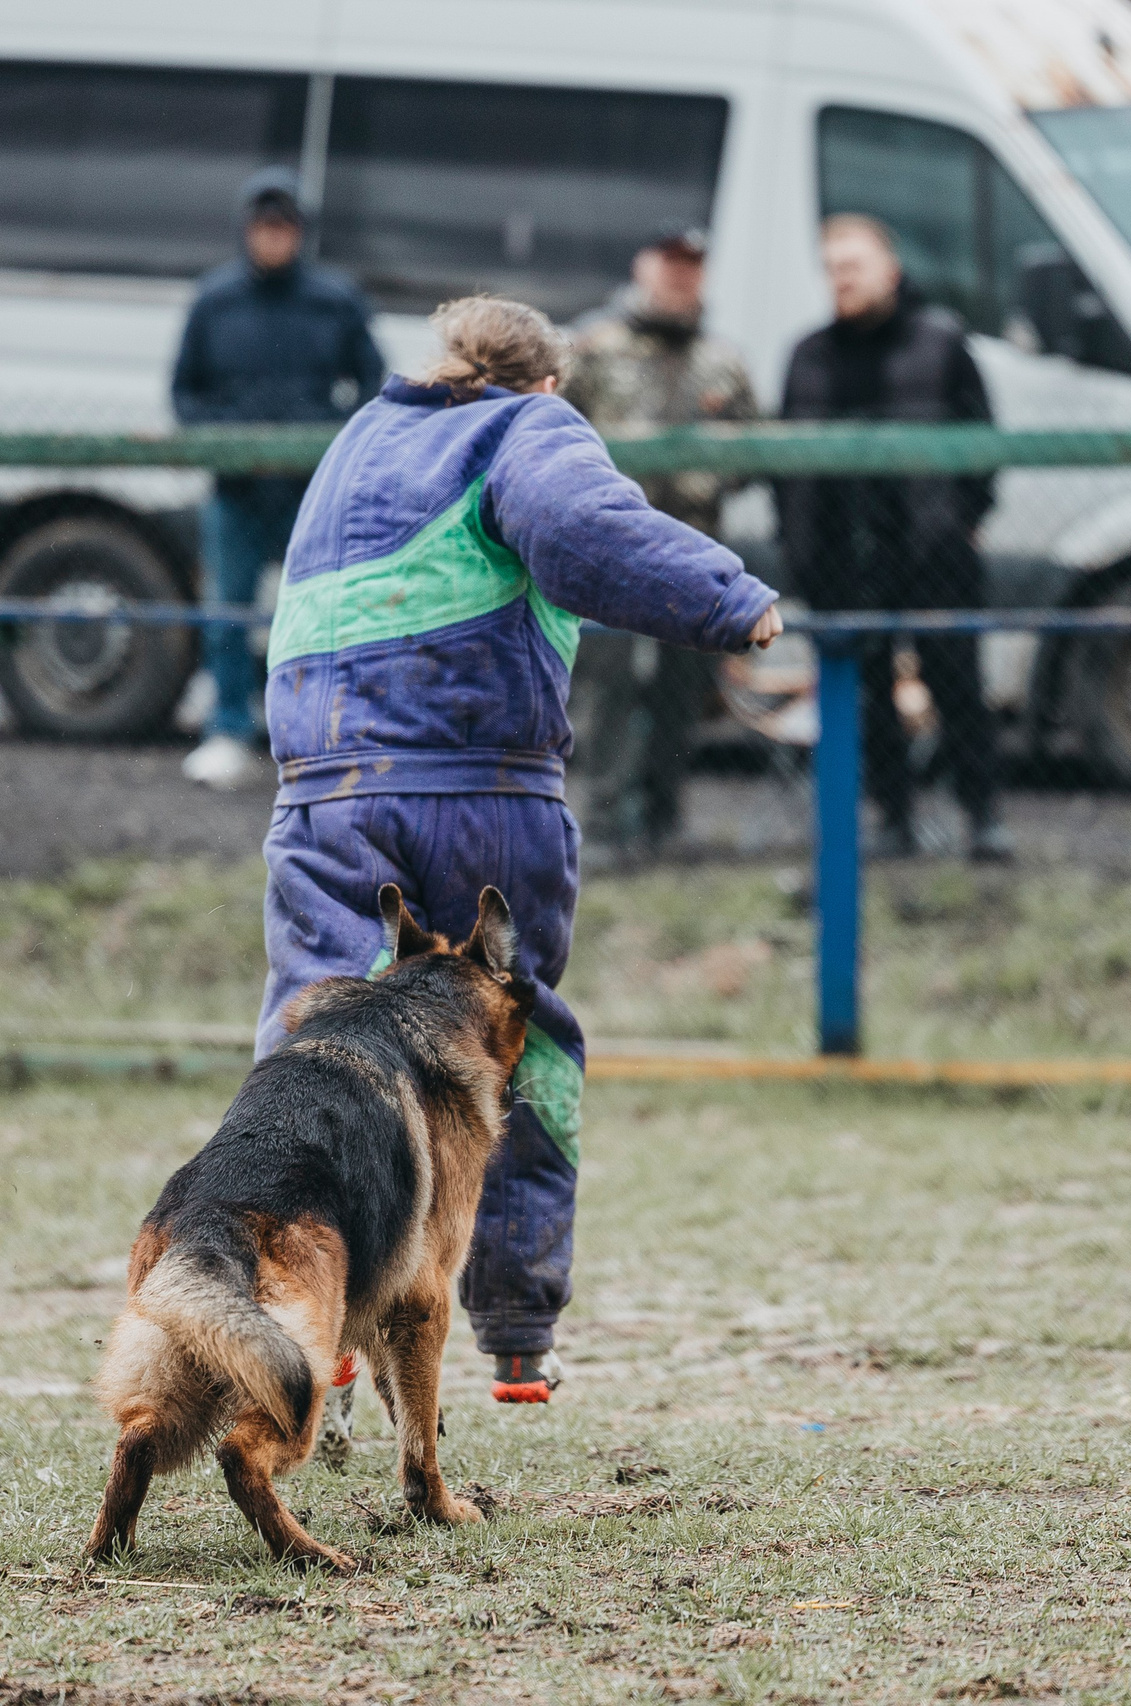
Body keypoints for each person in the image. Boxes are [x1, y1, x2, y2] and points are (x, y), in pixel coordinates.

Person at [257, 296, 781, 1404]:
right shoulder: (525, 427)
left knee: (317, 1037)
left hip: (321, 795)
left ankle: (303, 1313)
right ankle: (517, 1325)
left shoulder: (358, 440)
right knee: (513, 1034)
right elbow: (586, 531)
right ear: (544, 382)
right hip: (478, 786)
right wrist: (730, 601)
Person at [780, 214, 1011, 862]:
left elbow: (983, 439)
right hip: (843, 558)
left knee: (956, 683)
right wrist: (797, 543)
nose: (842, 279)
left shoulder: (941, 342)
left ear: (891, 270)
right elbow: (785, 458)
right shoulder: (809, 355)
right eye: (833, 268)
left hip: (933, 553)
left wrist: (964, 519)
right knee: (866, 694)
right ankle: (893, 818)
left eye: (854, 265)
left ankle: (983, 817)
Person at [171, 167, 387, 791]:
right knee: (229, 609)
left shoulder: (335, 300)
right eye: (263, 226)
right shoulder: (215, 300)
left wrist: (333, 444)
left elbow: (372, 383)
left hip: (311, 492)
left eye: (284, 226)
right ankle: (227, 729)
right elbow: (185, 392)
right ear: (247, 230)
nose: (273, 237)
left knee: (320, 612)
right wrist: (225, 441)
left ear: (300, 232)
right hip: (236, 489)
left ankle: (314, 734)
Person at [562, 225, 759, 862]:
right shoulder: (593, 349)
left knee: (682, 686)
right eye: (671, 264)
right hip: (611, 554)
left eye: (692, 266)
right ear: (642, 267)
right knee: (607, 684)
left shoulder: (723, 360)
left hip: (694, 554)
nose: (681, 277)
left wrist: (711, 471)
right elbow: (553, 436)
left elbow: (756, 450)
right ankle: (603, 820)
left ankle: (664, 819)